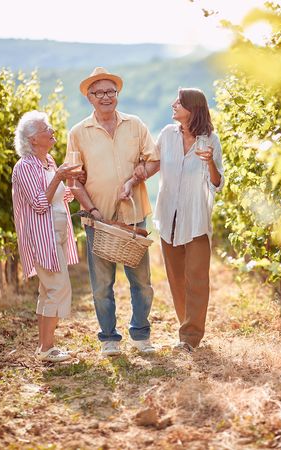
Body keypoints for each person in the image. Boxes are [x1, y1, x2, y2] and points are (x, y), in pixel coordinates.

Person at [66, 67, 160, 356]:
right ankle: (108, 338)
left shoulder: (135, 125)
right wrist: (92, 211)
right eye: (99, 93)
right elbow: (73, 178)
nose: (106, 97)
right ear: (89, 98)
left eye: (111, 91)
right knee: (101, 285)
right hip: (99, 221)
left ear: (117, 95)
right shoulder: (78, 133)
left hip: (133, 218)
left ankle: (141, 334)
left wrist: (134, 179)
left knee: (142, 282)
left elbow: (153, 161)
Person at [153, 88, 224, 352]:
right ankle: (186, 325)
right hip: (168, 215)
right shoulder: (166, 135)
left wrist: (209, 164)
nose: (173, 104)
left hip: (196, 219)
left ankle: (190, 337)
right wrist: (134, 176)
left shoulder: (210, 140)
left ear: (192, 109)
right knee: (176, 279)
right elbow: (153, 163)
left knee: (197, 278)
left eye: (179, 102)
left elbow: (217, 184)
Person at [11, 110, 82, 362]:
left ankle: (44, 347)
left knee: (47, 289)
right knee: (57, 287)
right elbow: (40, 203)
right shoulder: (25, 167)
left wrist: (69, 181)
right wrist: (60, 178)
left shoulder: (49, 162)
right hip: (43, 237)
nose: (52, 131)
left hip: (58, 233)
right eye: (46, 129)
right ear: (32, 140)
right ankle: (47, 348)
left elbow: (59, 198)